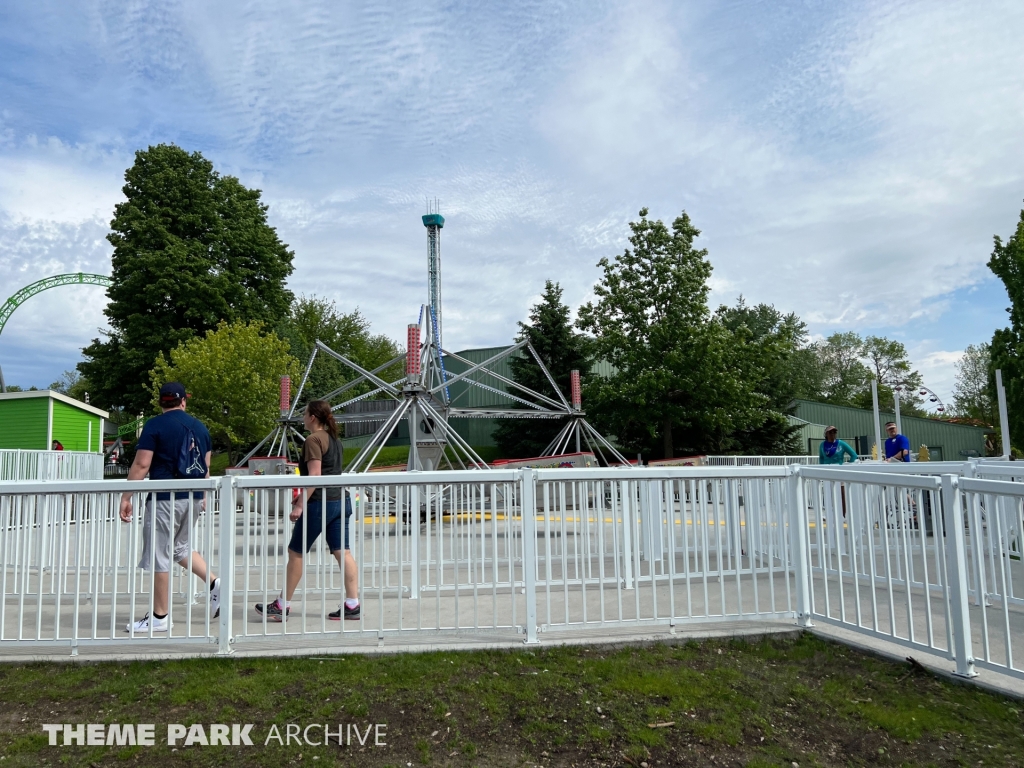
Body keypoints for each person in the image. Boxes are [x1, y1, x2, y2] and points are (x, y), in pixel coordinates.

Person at [119, 383, 220, 632]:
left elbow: (142, 465)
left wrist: (126, 496)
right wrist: (203, 496)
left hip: (165, 498)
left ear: (161, 402)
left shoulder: (155, 425)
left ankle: (160, 617)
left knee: (159, 555)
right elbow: (205, 469)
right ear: (183, 401)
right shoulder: (200, 427)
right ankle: (216, 582)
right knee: (179, 549)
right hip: (194, 497)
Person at [255, 400, 360, 622]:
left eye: (304, 414)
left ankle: (282, 605)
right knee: (344, 552)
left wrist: (301, 503)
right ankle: (352, 604)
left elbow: (315, 476)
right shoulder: (334, 440)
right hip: (341, 500)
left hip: (320, 503)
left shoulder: (313, 440)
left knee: (296, 553)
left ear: (313, 417)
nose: (302, 417)